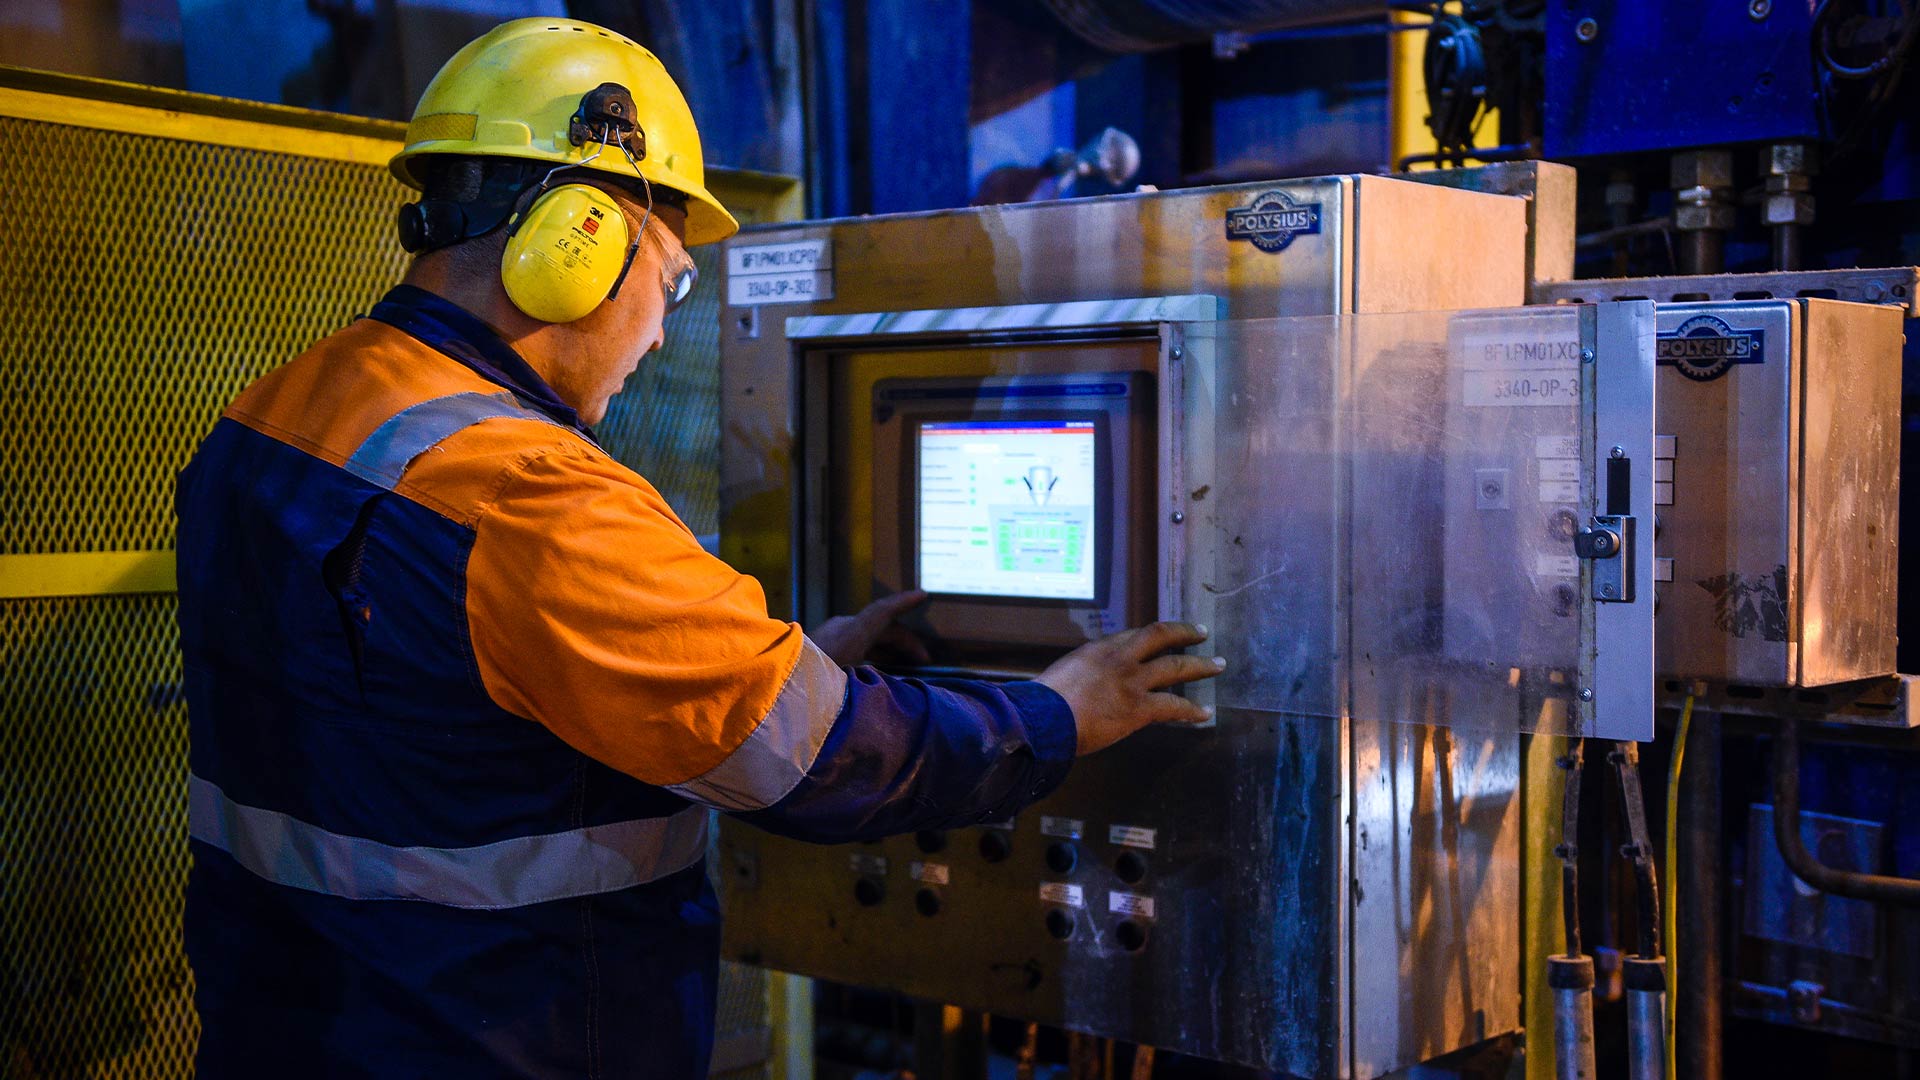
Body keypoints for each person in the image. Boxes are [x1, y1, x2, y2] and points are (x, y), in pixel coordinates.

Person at [175, 17, 1222, 1079]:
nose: (663, 330)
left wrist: (781, 661)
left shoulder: (280, 412)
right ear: (581, 241)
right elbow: (816, 764)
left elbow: (436, 706)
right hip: (493, 1035)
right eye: (668, 279)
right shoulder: (528, 494)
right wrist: (1057, 714)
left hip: (287, 1021)